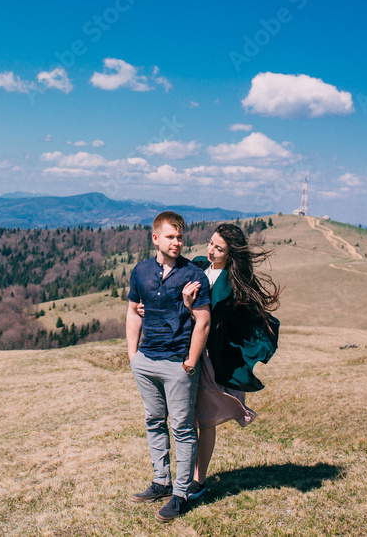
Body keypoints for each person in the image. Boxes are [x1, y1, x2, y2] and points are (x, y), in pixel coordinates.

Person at [182, 223, 281, 498]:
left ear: (231, 254)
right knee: (184, 417)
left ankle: (198, 480)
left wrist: (192, 309)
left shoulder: (232, 285)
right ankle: (181, 476)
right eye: (211, 243)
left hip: (210, 357)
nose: (210, 250)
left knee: (205, 420)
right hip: (183, 350)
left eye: (219, 248)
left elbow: (210, 320)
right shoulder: (198, 266)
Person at [126, 211, 211, 522]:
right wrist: (133, 355)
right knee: (153, 421)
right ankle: (161, 482)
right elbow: (134, 312)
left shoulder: (194, 275)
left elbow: (203, 322)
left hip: (178, 363)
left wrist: (189, 362)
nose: (177, 242)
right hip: (146, 360)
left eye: (180, 237)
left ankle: (180, 494)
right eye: (171, 236)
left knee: (183, 428)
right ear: (155, 239)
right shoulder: (141, 272)